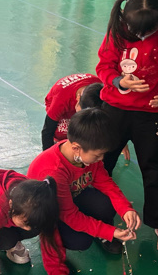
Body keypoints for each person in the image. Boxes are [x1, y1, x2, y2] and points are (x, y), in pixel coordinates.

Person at [96, 0, 158, 238]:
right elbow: (103, 66)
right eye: (136, 30)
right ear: (125, 18)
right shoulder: (117, 31)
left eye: (149, 29)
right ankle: (98, 214)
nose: (142, 35)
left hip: (148, 113)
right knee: (102, 162)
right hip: (114, 109)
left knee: (154, 168)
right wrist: (119, 82)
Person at [27, 108, 141, 256]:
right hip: (53, 211)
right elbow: (69, 215)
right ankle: (56, 238)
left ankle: (101, 233)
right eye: (98, 155)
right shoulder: (54, 171)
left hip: (73, 196)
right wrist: (110, 231)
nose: (101, 159)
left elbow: (107, 184)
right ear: (76, 148)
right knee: (80, 241)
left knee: (107, 204)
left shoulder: (85, 150)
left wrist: (125, 208)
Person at [41, 73, 101, 149]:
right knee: (63, 133)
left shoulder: (102, 88)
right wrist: (49, 155)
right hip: (62, 98)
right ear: (78, 98)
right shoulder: (59, 101)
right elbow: (47, 132)